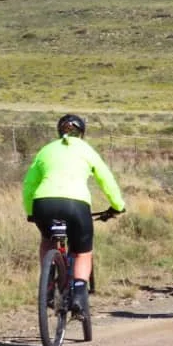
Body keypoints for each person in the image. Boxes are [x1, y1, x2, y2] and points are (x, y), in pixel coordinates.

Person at [23, 114, 125, 319]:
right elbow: (106, 180)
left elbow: (29, 184)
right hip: (76, 204)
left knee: (47, 242)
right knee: (82, 252)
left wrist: (31, 212)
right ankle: (79, 294)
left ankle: (48, 285)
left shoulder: (46, 150)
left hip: (44, 203)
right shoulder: (86, 150)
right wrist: (117, 206)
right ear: (82, 133)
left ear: (59, 131)